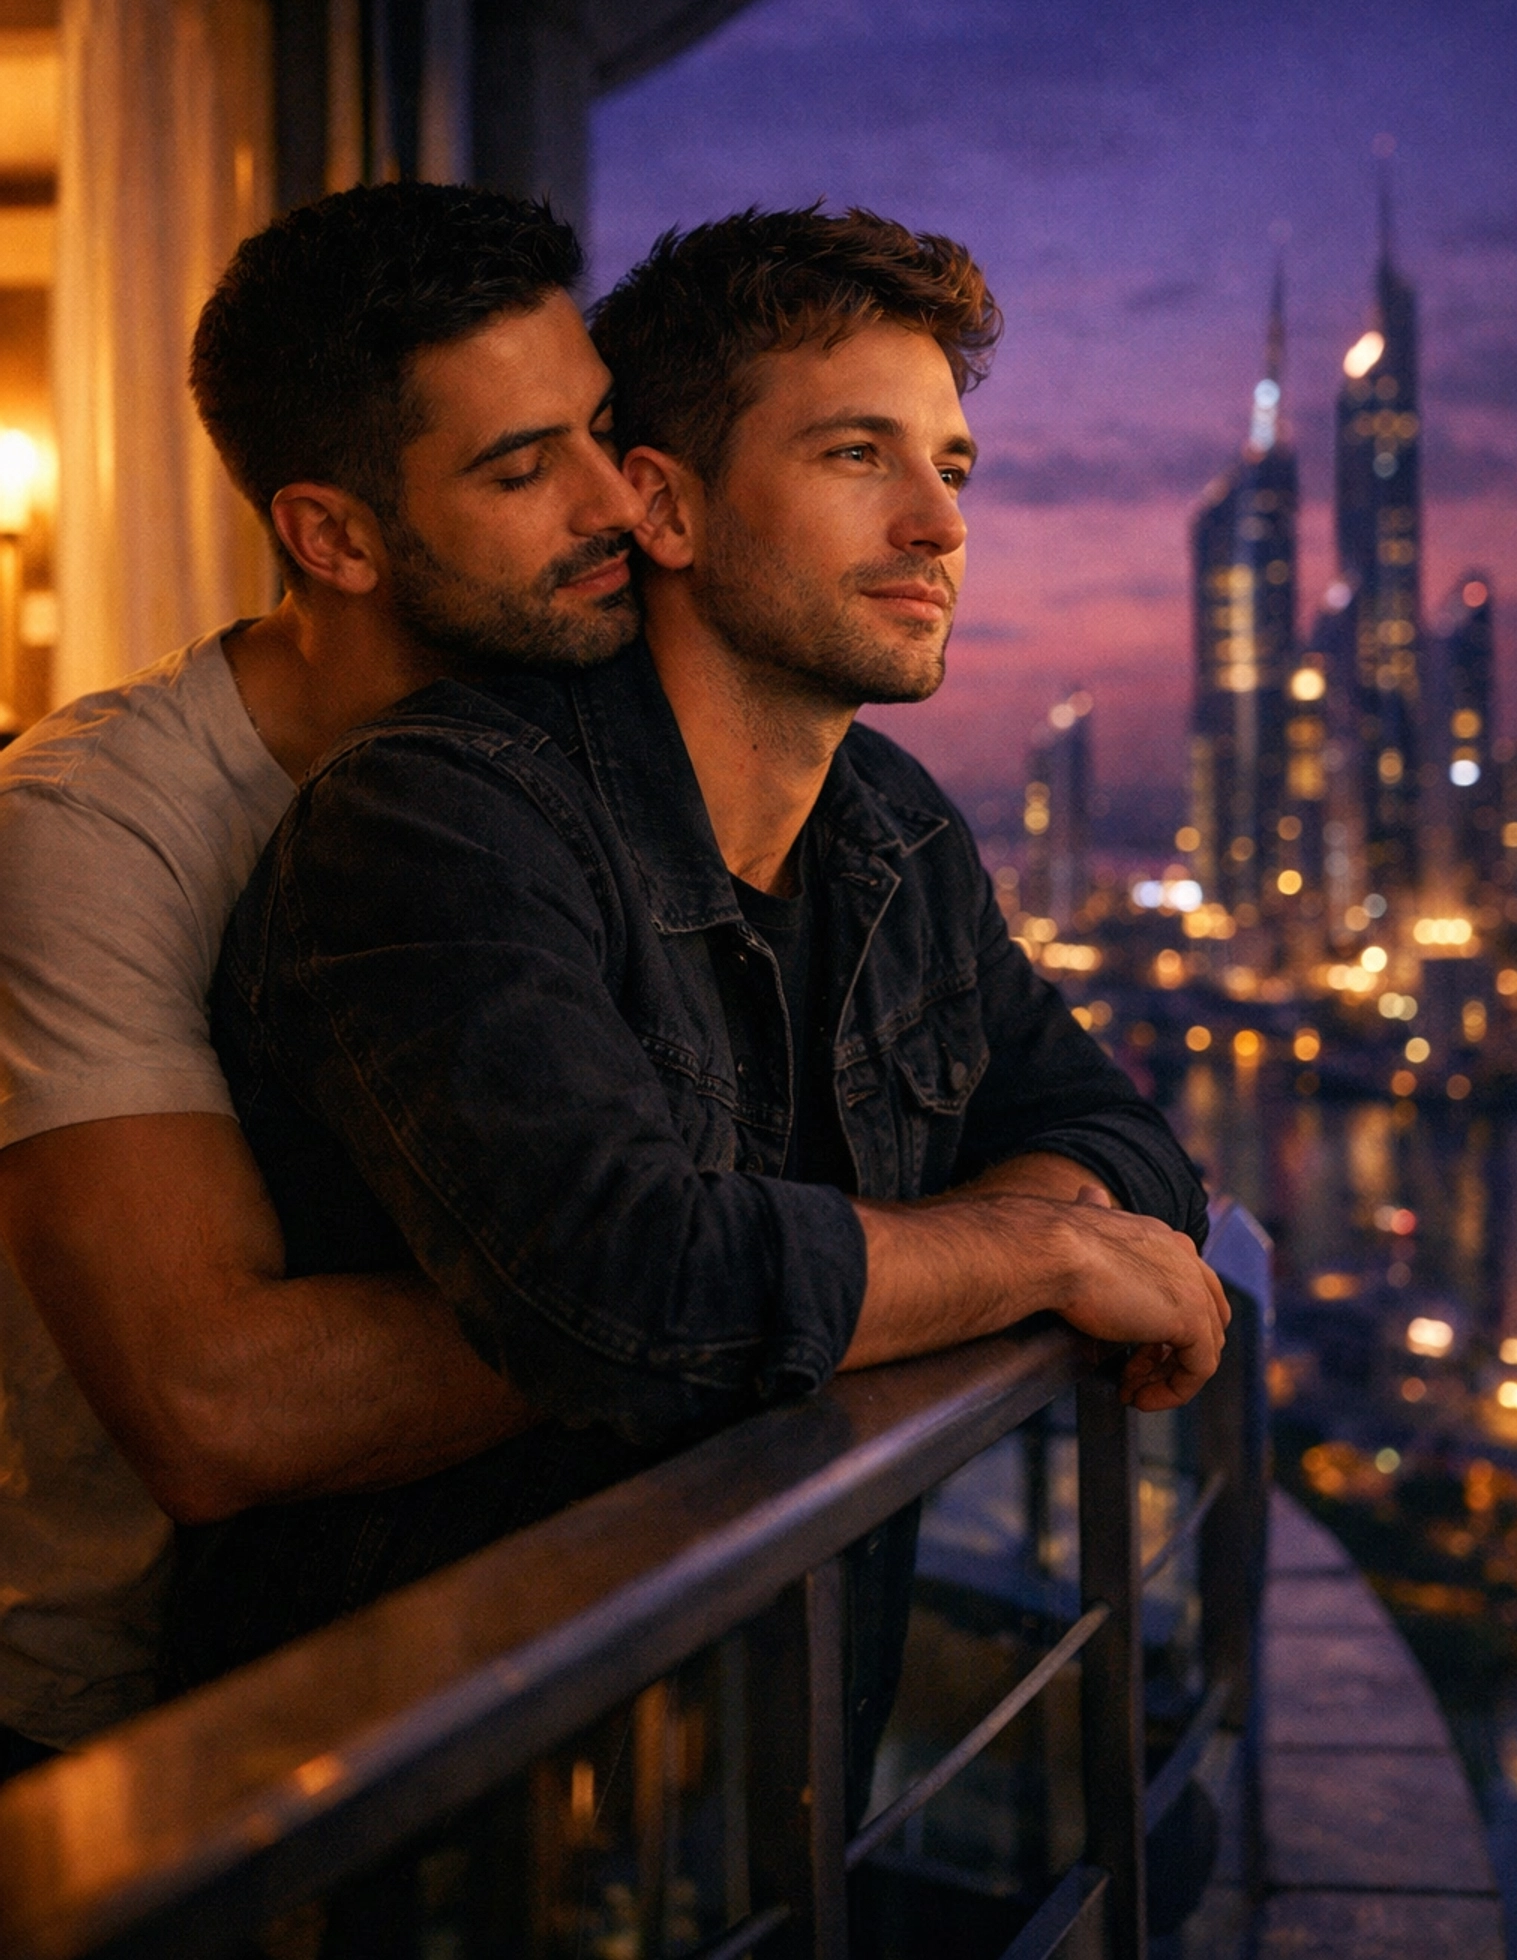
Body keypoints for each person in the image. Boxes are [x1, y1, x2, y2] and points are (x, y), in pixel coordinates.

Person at [183, 206, 1224, 1813]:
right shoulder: (444, 821)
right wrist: (1033, 1250)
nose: (938, 526)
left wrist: (955, 1245)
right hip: (433, 1802)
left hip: (771, 1783)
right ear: (662, 505)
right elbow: (623, 1287)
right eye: (856, 455)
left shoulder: (893, 829)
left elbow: (1121, 1142)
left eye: (952, 468)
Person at [0, 183, 647, 1770]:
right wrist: (728, 1304)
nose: (617, 502)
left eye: (601, 429)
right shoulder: (86, 826)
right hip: (109, 1732)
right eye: (522, 467)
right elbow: (214, 1406)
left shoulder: (586, 749)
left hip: (438, 1683)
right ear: (335, 536)